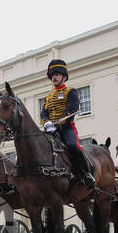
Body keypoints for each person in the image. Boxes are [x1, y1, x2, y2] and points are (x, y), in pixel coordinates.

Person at [40, 59, 94, 188]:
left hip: (66, 128)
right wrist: (46, 123)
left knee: (72, 146)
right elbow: (43, 114)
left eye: (57, 74)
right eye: (52, 75)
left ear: (64, 77)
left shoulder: (70, 92)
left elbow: (72, 110)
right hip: (50, 131)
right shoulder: (48, 98)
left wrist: (57, 124)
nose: (54, 77)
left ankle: (86, 174)